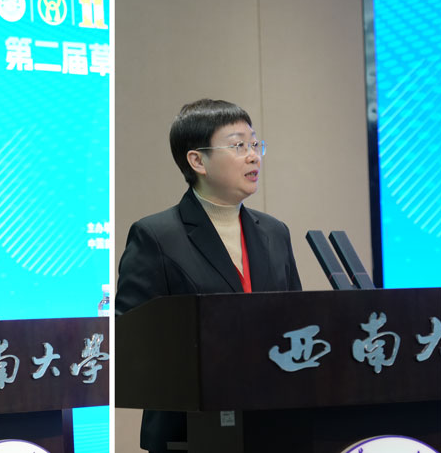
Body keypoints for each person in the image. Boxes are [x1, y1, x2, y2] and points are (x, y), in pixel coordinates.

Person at [116, 98, 302, 453]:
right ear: (197, 161)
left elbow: (296, 321)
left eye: (255, 144)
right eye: (238, 146)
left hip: (272, 428)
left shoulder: (275, 232)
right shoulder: (156, 236)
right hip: (190, 433)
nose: (253, 156)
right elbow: (132, 341)